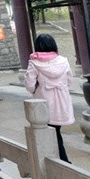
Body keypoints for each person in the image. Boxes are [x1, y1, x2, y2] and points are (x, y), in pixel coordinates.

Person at [24, 34, 73, 163]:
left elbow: (29, 85)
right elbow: (69, 80)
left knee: (51, 133)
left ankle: (64, 161)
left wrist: (36, 89)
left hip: (45, 102)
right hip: (61, 103)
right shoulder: (63, 60)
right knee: (56, 131)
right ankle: (61, 159)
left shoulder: (34, 63)